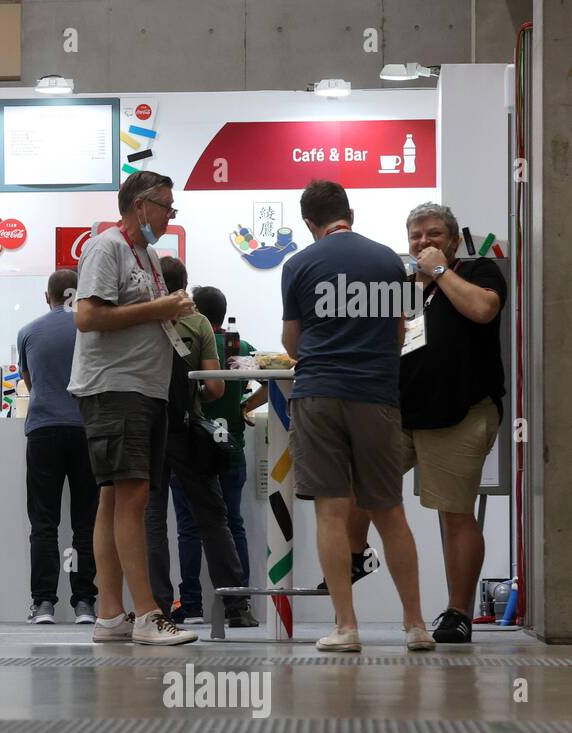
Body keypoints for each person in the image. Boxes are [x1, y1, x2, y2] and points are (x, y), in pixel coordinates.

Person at [336, 202, 506, 643]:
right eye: (415, 237)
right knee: (358, 485)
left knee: (453, 513)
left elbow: (484, 310)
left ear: (451, 239)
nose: (423, 243)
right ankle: (356, 555)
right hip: (399, 412)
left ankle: (457, 613)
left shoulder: (477, 269)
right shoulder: (403, 285)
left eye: (432, 235)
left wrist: (441, 273)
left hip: (459, 412)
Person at [282, 179, 432, 652]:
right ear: (351, 212)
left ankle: (346, 626)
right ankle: (415, 625)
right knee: (389, 511)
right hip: (376, 396)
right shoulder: (391, 261)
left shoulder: (298, 264)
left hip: (318, 393)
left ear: (311, 223)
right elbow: (399, 333)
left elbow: (292, 343)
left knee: (331, 510)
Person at [69, 170, 198, 646]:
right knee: (133, 497)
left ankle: (110, 614)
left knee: (113, 499)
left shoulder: (146, 255)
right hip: (116, 387)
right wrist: (160, 309)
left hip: (143, 388)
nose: (169, 215)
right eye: (165, 206)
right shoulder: (108, 246)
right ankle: (147, 614)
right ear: (140, 206)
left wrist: (166, 307)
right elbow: (87, 316)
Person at [146, 258, 258, 628]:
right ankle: (235, 604)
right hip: (186, 430)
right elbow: (216, 386)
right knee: (215, 517)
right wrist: (195, 400)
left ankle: (158, 609)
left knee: (152, 519)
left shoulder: (140, 318)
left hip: (146, 428)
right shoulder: (198, 324)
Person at [167, 285, 267, 622]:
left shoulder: (185, 341)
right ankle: (239, 603)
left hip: (193, 449)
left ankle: (191, 605)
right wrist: (243, 407)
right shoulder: (240, 347)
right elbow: (269, 381)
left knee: (189, 527)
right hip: (231, 450)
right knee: (233, 524)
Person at [16, 269, 99, 625]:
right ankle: (85, 603)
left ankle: (44, 603)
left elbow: (29, 381)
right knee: (87, 522)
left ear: (46, 296)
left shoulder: (28, 331)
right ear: (79, 295)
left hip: (44, 430)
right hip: (87, 430)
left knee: (44, 522)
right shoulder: (93, 328)